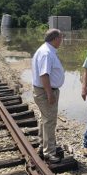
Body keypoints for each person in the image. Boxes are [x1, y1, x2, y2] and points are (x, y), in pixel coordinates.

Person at [32, 28, 65, 164]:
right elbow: (44, 75)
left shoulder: (46, 50)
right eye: (60, 38)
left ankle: (42, 146)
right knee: (50, 121)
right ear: (55, 39)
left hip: (43, 90)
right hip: (46, 91)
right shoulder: (46, 53)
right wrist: (50, 94)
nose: (61, 41)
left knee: (44, 119)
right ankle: (49, 152)